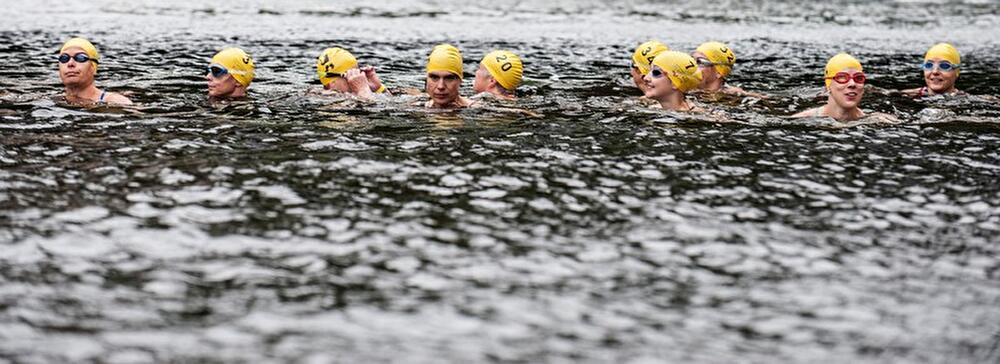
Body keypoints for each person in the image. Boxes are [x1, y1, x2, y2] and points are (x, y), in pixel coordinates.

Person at [792, 53, 867, 121]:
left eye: (859, 78)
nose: (852, 84)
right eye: (842, 77)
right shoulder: (801, 119)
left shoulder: (873, 120)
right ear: (828, 86)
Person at [57, 37, 132, 106]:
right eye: (64, 58)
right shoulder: (53, 99)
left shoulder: (117, 102)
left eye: (80, 58)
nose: (70, 63)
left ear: (93, 67)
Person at [316, 47, 388, 100]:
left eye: (357, 73)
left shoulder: (350, 96)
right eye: (349, 75)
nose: (355, 80)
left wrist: (378, 88)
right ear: (332, 84)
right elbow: (372, 115)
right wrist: (363, 90)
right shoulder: (329, 103)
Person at [425, 44, 472, 109]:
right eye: (434, 77)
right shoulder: (415, 105)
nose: (440, 86)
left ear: (460, 81)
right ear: (427, 79)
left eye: (449, 78)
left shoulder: (477, 109)